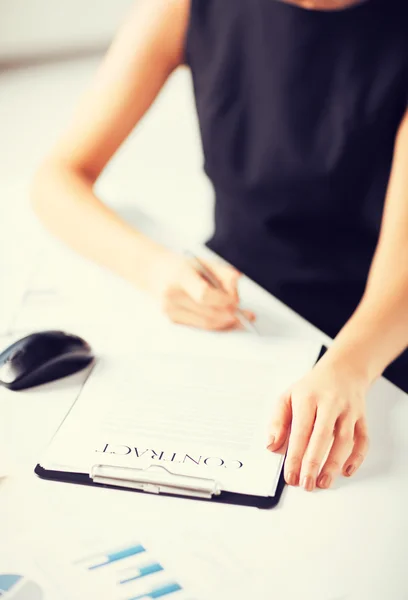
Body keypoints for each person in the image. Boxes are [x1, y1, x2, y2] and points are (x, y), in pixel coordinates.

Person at [31, 0, 408, 493]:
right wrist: (159, 271)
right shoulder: (186, 6)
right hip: (233, 313)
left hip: (375, 335)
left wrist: (348, 367)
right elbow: (57, 178)